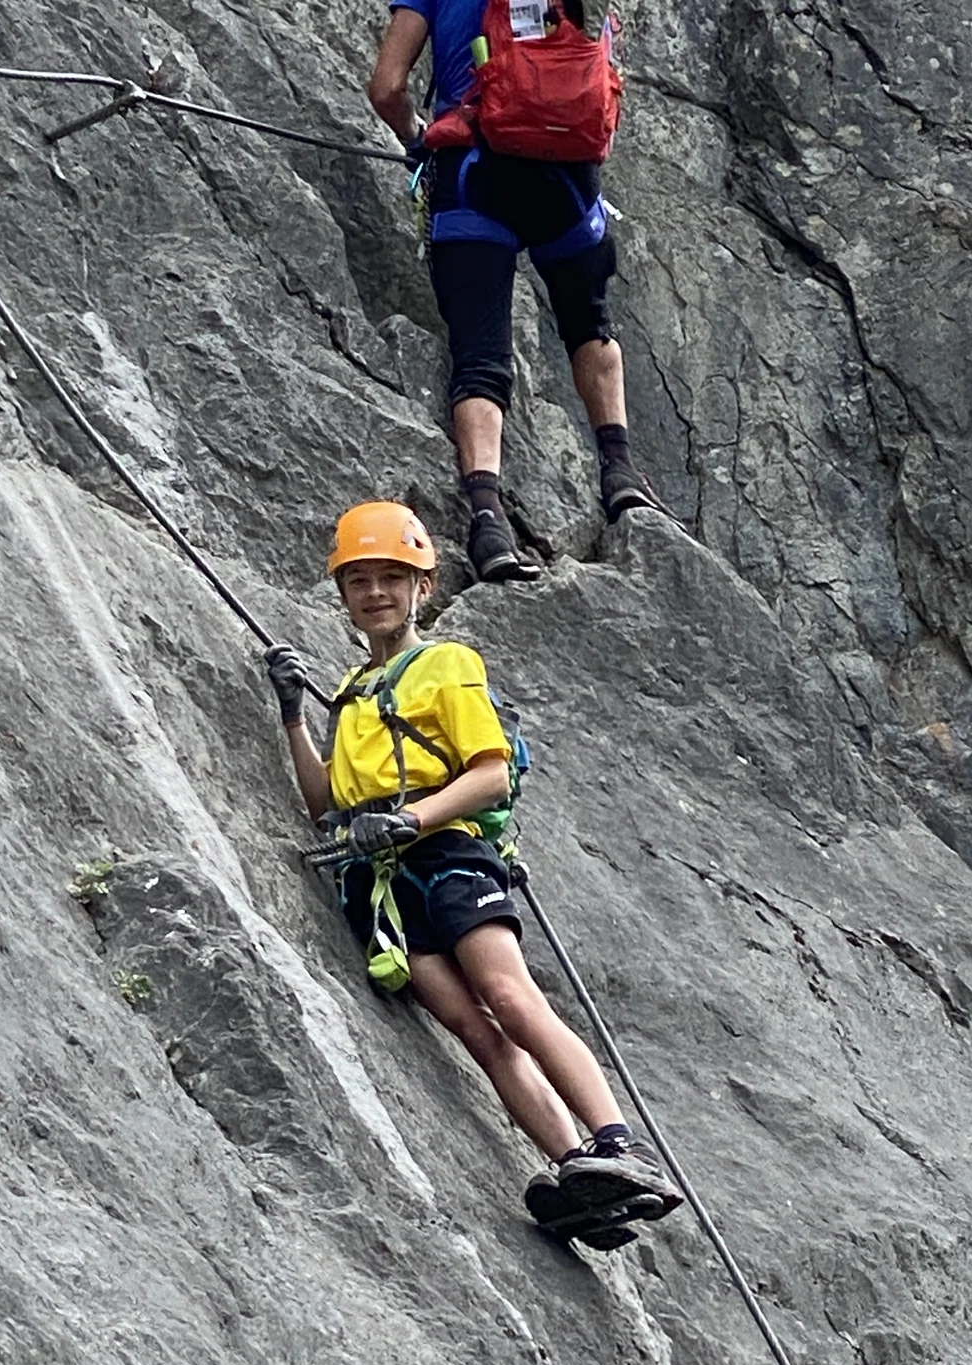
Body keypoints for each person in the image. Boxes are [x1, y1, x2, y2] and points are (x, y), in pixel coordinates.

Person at [264, 501, 681, 1235]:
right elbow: (324, 803)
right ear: (343, 595)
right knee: (473, 1028)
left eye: (392, 577)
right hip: (381, 883)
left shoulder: (447, 664)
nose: (375, 594)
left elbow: (488, 774)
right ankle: (580, 1171)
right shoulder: (353, 693)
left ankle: (620, 1143)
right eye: (358, 581)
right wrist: (297, 714)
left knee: (508, 995)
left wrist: (413, 818)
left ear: (423, 586)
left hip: (446, 851)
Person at [367, 0, 657, 576]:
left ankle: (489, 520)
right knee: (590, 325)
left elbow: (388, 87)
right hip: (567, 184)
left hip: (472, 177)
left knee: (481, 356)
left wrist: (422, 138)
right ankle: (621, 474)